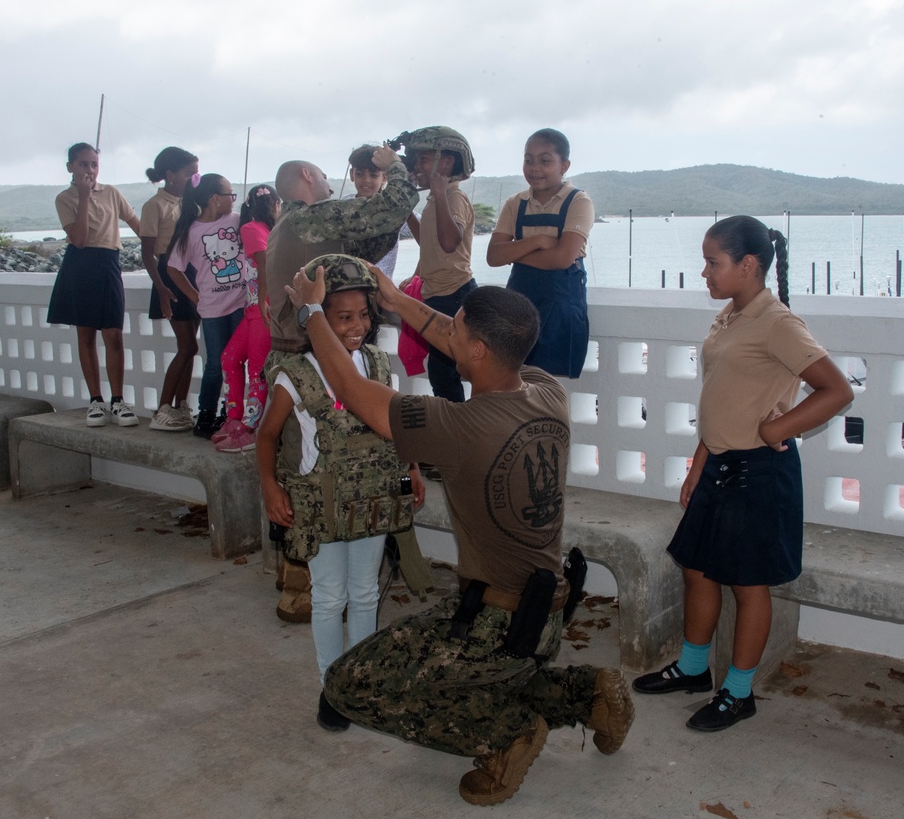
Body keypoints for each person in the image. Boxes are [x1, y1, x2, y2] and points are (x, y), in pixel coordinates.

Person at [285, 268, 635, 806]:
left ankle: (506, 734)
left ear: (473, 351)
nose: (447, 333)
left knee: (351, 685)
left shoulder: (459, 425)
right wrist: (400, 302)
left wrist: (313, 312)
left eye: (458, 332)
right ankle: (585, 694)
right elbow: (459, 336)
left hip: (497, 624)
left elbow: (354, 392)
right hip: (543, 612)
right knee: (455, 667)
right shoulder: (546, 393)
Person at [632, 215, 853, 731]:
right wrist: (699, 463)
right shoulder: (731, 315)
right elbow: (722, 400)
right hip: (719, 464)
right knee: (697, 568)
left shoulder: (778, 322)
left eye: (713, 262)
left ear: (747, 265)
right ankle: (692, 669)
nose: (704, 272)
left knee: (749, 585)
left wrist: (783, 429)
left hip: (758, 472)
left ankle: (738, 692)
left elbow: (837, 391)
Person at [257, 255, 425, 731]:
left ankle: (362, 681)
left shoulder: (375, 362)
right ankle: (333, 686)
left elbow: (390, 425)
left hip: (373, 498)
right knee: (330, 597)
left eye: (363, 315)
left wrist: (409, 471)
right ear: (318, 318)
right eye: (343, 317)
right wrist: (270, 486)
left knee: (366, 592)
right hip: (321, 505)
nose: (357, 326)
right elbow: (267, 435)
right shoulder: (296, 373)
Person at [266, 144, 417, 355]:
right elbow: (396, 205)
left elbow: (361, 253)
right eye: (324, 177)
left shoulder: (288, 223)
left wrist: (386, 222)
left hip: (298, 345)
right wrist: (394, 165)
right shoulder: (309, 217)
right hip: (307, 349)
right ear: (307, 175)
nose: (330, 188)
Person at [47, 142, 141, 427]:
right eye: (83, 164)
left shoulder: (111, 192)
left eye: (94, 164)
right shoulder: (65, 198)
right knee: (86, 334)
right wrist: (84, 196)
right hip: (81, 264)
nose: (90, 170)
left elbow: (136, 223)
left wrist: (160, 252)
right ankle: (96, 401)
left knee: (113, 334)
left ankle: (117, 400)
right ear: (70, 167)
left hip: (109, 263)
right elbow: (79, 239)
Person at [487, 128, 594, 378]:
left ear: (564, 165)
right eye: (528, 159)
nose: (534, 168)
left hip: (561, 308)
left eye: (545, 160)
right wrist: (539, 241)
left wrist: (513, 253)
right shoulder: (516, 203)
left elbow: (562, 259)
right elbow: (493, 257)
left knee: (550, 388)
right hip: (517, 308)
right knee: (514, 383)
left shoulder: (579, 202)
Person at [390, 126, 476, 402]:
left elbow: (450, 242)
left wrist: (440, 194)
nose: (417, 167)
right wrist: (407, 214)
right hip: (438, 293)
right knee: (442, 373)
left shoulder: (453, 197)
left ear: (447, 162)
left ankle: (456, 431)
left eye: (424, 159)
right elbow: (430, 243)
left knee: (444, 374)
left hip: (453, 294)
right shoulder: (436, 199)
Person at [165, 174, 246, 438]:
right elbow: (173, 268)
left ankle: (230, 412)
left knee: (237, 363)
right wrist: (195, 296)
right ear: (215, 199)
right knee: (215, 364)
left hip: (240, 304)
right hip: (212, 309)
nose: (233, 200)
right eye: (230, 194)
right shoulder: (190, 230)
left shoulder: (235, 221)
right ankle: (207, 414)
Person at [212, 184, 279, 453]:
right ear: (274, 204)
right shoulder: (259, 229)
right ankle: (236, 419)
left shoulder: (253, 229)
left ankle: (249, 428)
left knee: (256, 369)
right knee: (230, 359)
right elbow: (264, 264)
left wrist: (262, 302)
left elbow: (262, 264)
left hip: (260, 309)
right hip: (257, 309)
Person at [139, 146, 200, 432]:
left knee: (189, 347)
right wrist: (161, 289)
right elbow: (147, 254)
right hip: (169, 274)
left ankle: (181, 406)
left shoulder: (191, 203)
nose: (193, 178)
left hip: (192, 272)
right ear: (170, 174)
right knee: (188, 345)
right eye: (189, 173)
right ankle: (163, 409)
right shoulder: (155, 206)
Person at [343, 144, 415, 280]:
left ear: (384, 178)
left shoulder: (394, 209)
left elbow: (428, 239)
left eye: (373, 175)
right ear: (352, 175)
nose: (366, 180)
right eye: (360, 174)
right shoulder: (343, 205)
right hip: (348, 287)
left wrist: (417, 274)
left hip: (382, 291)